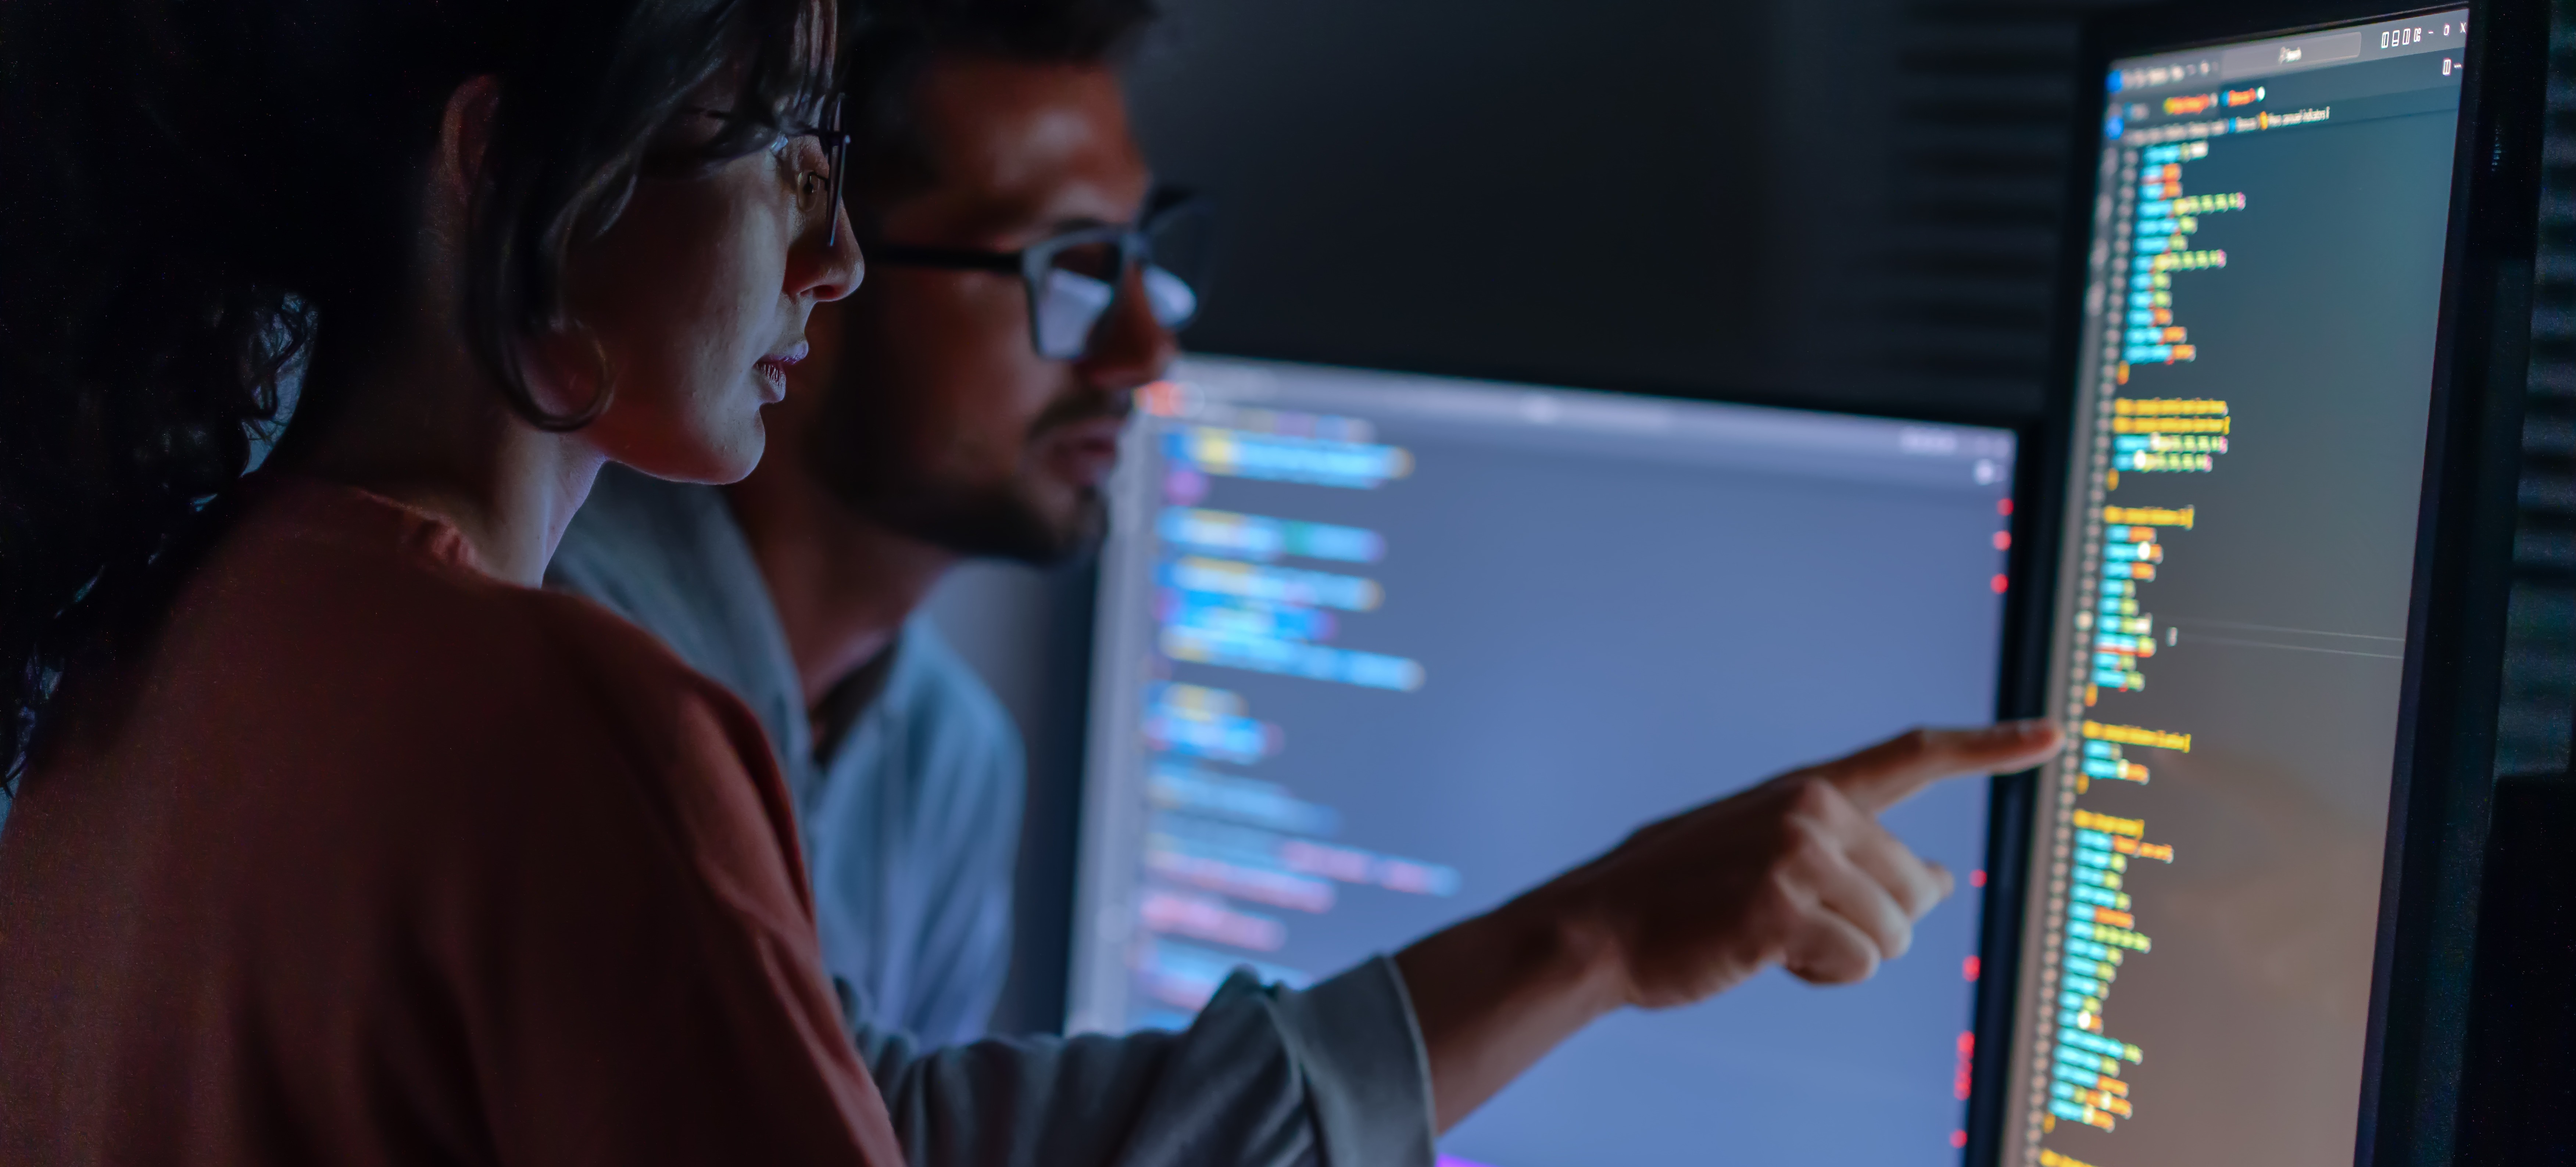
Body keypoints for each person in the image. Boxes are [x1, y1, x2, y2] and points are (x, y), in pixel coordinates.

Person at [0, 1, 2064, 1164]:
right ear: (497, 164)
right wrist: (1600, 934)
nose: (823, 257)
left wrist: (1598, 932)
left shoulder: (167, 634)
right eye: (769, 149)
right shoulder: (569, 712)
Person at [543, 0, 1180, 1045]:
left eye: (1140, 257)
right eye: (1072, 264)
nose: (1145, 349)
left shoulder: (956, 762)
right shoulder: (557, 652)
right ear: (809, 262)